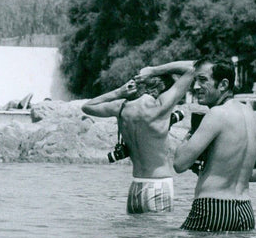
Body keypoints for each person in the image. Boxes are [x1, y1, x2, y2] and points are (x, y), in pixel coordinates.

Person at [82, 60, 195, 213]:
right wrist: (154, 70)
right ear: (164, 89)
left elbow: (87, 107)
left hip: (135, 187)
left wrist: (118, 92)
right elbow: (193, 68)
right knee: (157, 237)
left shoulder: (121, 107)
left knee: (135, 236)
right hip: (158, 185)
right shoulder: (160, 107)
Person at [173, 58, 256, 231]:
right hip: (245, 210)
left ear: (223, 84)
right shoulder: (253, 117)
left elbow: (180, 164)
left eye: (203, 80)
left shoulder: (217, 114)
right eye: (195, 80)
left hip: (212, 207)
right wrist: (224, 172)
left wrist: (189, 135)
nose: (195, 87)